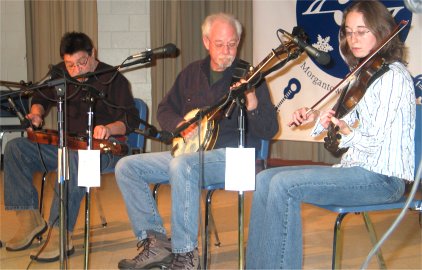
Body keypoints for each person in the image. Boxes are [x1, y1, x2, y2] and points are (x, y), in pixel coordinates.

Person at [246, 0, 416, 269]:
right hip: (355, 170)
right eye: (348, 32)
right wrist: (317, 118)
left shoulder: (393, 77)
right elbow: (343, 120)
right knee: (266, 178)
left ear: (382, 30)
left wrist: (348, 134)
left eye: (362, 31)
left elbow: (376, 142)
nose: (354, 39)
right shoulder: (362, 74)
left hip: (382, 179)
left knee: (283, 186)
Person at [115, 12, 278, 269]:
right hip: (191, 153)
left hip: (233, 157)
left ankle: (186, 255)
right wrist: (179, 125)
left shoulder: (249, 75)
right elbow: (165, 109)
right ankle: (156, 243)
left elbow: (269, 129)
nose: (227, 51)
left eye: (232, 44)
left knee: (184, 166)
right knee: (127, 166)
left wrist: (252, 100)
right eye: (219, 44)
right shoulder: (191, 73)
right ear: (206, 42)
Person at [3, 32, 139, 262]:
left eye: (81, 62)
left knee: (74, 157)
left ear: (92, 53)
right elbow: (40, 98)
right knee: (16, 148)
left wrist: (108, 128)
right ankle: (30, 222)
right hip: (67, 146)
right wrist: (36, 115)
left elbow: (131, 120)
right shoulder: (60, 73)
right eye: (70, 65)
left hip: (105, 150)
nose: (75, 70)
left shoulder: (113, 79)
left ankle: (60, 233)